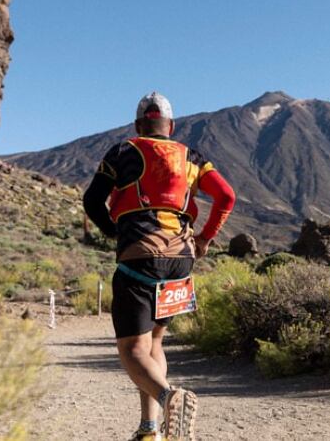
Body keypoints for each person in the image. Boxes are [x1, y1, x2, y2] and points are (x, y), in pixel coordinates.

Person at [83, 92, 236, 441]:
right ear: (170, 126)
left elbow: (92, 200)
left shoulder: (124, 151)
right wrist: (206, 238)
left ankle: (170, 399)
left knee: (132, 350)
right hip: (181, 261)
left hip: (141, 255)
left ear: (139, 125)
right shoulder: (192, 156)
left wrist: (113, 231)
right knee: (154, 345)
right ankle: (149, 428)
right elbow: (227, 196)